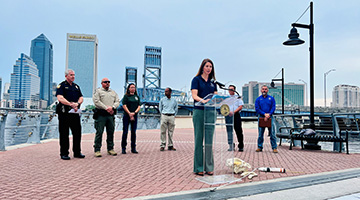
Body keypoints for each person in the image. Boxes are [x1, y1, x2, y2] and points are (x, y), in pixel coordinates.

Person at [191, 58, 217, 176]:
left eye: (210, 67)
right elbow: (194, 95)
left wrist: (217, 100)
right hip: (199, 111)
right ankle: (198, 167)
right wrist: (203, 101)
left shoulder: (213, 83)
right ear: (202, 67)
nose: (208, 68)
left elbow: (215, 97)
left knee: (209, 141)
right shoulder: (196, 80)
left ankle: (209, 167)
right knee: (199, 139)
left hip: (210, 112)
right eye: (207, 66)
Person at [56, 69, 85, 160]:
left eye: (74, 75)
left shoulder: (76, 87)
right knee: (64, 134)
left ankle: (77, 152)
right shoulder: (62, 86)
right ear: (66, 76)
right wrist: (70, 104)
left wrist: (77, 104)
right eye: (71, 75)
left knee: (77, 133)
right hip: (65, 113)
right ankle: (64, 153)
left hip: (75, 113)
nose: (73, 76)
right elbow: (60, 98)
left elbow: (81, 97)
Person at [92, 78, 120, 157]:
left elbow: (117, 101)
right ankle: (97, 149)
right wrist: (106, 108)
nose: (107, 83)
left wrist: (113, 107)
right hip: (101, 115)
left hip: (110, 115)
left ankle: (110, 149)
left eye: (108, 82)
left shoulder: (113, 92)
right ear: (102, 83)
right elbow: (96, 101)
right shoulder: (98, 91)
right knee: (99, 132)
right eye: (105, 82)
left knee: (111, 132)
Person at [255, 85, 278, 153]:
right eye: (263, 89)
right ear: (261, 90)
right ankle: (259, 147)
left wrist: (269, 114)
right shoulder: (258, 99)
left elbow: (273, 107)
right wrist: (264, 114)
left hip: (270, 118)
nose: (264, 90)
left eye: (265, 89)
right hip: (261, 117)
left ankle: (274, 147)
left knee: (272, 134)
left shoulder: (271, 98)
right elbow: (257, 109)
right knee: (260, 134)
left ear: (267, 90)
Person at [121, 83, 141, 154]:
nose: (133, 88)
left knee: (133, 132)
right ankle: (123, 148)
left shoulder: (137, 97)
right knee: (125, 131)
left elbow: (139, 106)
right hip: (127, 115)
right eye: (131, 87)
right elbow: (124, 105)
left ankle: (133, 148)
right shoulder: (126, 96)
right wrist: (129, 113)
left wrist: (134, 113)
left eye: (134, 87)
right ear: (128, 88)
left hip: (134, 115)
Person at [225, 85, 244, 152]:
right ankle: (231, 145)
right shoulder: (226, 98)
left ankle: (241, 145)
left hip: (236, 115)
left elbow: (240, 106)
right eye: (229, 89)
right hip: (228, 115)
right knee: (229, 131)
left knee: (238, 130)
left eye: (232, 89)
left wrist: (233, 112)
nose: (231, 91)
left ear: (235, 90)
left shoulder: (238, 98)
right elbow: (223, 106)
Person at [159, 87, 178, 151]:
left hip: (171, 116)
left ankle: (170, 145)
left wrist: (174, 115)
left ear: (170, 92)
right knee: (163, 131)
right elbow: (160, 108)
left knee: (171, 132)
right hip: (164, 115)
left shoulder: (174, 100)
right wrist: (162, 114)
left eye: (167, 91)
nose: (165, 93)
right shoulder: (162, 100)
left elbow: (176, 108)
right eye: (165, 91)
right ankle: (162, 145)